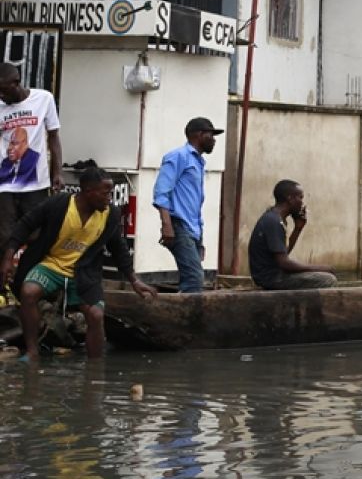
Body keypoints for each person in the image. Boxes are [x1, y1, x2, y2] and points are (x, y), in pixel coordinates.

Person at [0, 167, 156, 358]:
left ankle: (95, 370)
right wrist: (8, 259)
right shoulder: (59, 204)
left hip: (84, 271)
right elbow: (25, 225)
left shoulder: (110, 214)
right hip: (51, 264)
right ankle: (32, 351)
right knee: (28, 292)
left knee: (96, 315)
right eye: (105, 193)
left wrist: (134, 280)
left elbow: (119, 248)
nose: (110, 197)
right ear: (89, 192)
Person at [153, 117, 223, 293]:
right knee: (194, 279)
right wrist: (167, 225)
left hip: (192, 229)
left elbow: (194, 203)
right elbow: (161, 192)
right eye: (211, 135)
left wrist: (199, 238)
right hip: (179, 226)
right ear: (199, 135)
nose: (214, 139)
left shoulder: (198, 162)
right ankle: (185, 318)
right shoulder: (178, 157)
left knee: (193, 277)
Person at [0, 63, 62, 248]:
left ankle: (29, 275)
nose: (1, 96)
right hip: (4, 183)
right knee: (5, 236)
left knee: (36, 234)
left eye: (4, 91)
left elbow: (54, 137)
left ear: (16, 83)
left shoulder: (44, 99)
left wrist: (57, 172)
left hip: (36, 182)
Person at [247, 180, 337, 290]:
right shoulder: (273, 221)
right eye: (300, 197)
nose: (302, 203)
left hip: (274, 275)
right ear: (290, 199)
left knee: (325, 276)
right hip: (271, 278)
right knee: (328, 279)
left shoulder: (276, 218)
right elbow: (284, 263)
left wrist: (298, 228)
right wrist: (321, 268)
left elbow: (283, 253)